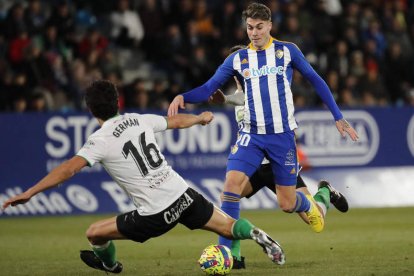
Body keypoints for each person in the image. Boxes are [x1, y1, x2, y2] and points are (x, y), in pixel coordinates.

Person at [1, 80, 286, 273]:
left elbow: (68, 169)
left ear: (90, 109)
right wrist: (199, 119)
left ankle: (112, 267)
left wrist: (30, 192)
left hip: (155, 213)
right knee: (228, 227)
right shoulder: (138, 119)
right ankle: (254, 232)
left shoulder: (99, 140)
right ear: (118, 102)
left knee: (94, 233)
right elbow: (174, 121)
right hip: (182, 194)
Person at [168, 2, 358, 241]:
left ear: (269, 25)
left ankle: (321, 196)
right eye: (250, 27)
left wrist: (338, 116)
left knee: (293, 208)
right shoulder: (238, 60)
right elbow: (208, 88)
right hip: (253, 138)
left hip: (281, 139)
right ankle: (230, 254)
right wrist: (182, 96)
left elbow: (315, 79)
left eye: (259, 27)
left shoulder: (287, 51)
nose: (254, 32)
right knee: (230, 188)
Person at [209, 67, 349, 269]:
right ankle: (234, 257)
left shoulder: (268, 91)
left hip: (278, 165)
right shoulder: (238, 96)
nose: (239, 77)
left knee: (316, 223)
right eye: (235, 74)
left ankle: (325, 192)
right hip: (255, 167)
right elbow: (241, 110)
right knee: (228, 197)